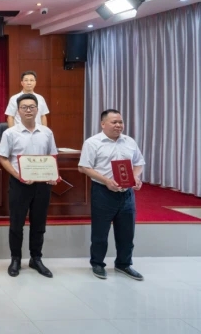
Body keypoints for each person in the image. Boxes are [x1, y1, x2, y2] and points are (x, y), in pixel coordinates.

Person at [78, 109, 145, 281]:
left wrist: (135, 177)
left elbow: (139, 163)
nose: (118, 125)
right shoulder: (92, 143)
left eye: (120, 122)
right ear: (103, 124)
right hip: (103, 192)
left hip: (127, 194)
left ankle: (124, 264)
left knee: (127, 233)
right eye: (114, 122)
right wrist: (106, 181)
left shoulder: (129, 141)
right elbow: (84, 167)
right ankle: (97, 264)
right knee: (100, 233)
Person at [0, 94, 58, 278]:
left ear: (37, 109)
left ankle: (36, 258)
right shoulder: (10, 133)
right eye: (24, 107)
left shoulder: (47, 132)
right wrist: (19, 175)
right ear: (18, 111)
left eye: (32, 107)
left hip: (42, 185)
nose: (28, 110)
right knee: (17, 224)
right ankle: (15, 259)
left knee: (39, 223)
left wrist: (53, 174)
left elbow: (52, 156)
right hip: (19, 184)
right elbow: (2, 158)